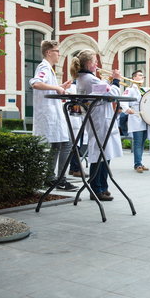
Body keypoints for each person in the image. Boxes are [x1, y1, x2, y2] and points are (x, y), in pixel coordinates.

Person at [69, 49, 123, 201]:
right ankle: (96, 189)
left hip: (100, 118)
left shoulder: (87, 78)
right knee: (99, 153)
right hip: (99, 119)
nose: (97, 64)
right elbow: (111, 94)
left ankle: (103, 187)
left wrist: (108, 83)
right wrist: (116, 80)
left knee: (104, 153)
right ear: (88, 63)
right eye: (94, 61)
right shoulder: (88, 79)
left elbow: (104, 92)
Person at [29, 40, 77, 191]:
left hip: (53, 114)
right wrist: (57, 87)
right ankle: (60, 179)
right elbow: (36, 83)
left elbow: (46, 88)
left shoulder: (49, 69)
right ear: (49, 53)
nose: (59, 54)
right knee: (66, 143)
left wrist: (60, 87)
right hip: (49, 115)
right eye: (57, 51)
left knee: (57, 145)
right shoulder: (44, 66)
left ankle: (50, 178)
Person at [120, 70, 150, 173]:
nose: (142, 77)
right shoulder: (130, 89)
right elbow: (122, 100)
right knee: (138, 142)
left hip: (144, 118)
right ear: (134, 78)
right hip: (136, 117)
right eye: (140, 75)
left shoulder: (143, 89)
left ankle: (140, 162)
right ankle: (137, 164)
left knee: (142, 142)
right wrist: (127, 109)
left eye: (143, 75)